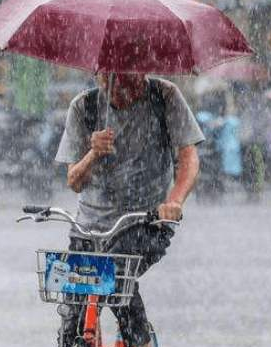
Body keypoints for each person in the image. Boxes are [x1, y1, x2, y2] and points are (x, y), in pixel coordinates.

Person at [54, 72, 204, 347]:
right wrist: (93, 153)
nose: (118, 82)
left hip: (144, 223)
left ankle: (141, 341)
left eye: (126, 74)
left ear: (142, 69)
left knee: (115, 274)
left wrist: (174, 201)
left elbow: (188, 156)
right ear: (97, 74)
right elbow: (74, 181)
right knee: (72, 320)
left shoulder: (164, 96)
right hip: (88, 227)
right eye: (108, 74)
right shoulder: (83, 107)